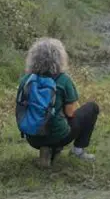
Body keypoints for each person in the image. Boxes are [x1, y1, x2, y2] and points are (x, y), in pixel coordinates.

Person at [15, 37, 99, 168]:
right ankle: (78, 151)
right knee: (91, 108)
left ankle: (46, 149)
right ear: (60, 58)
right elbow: (70, 113)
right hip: (59, 135)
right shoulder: (63, 80)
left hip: (32, 136)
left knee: (52, 119)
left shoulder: (26, 80)